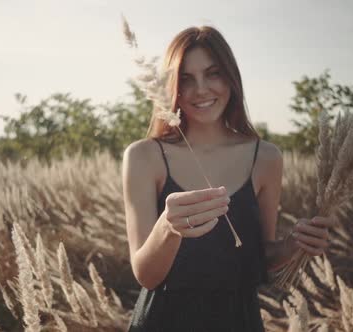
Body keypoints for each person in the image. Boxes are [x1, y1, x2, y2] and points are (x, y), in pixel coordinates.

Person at [122, 26, 334, 332]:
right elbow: (146, 275)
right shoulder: (144, 156)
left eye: (213, 73)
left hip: (239, 320)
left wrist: (292, 244)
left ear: (232, 77)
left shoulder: (266, 157)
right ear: (171, 86)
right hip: (164, 321)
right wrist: (168, 227)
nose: (201, 89)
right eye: (186, 79)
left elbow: (257, 255)